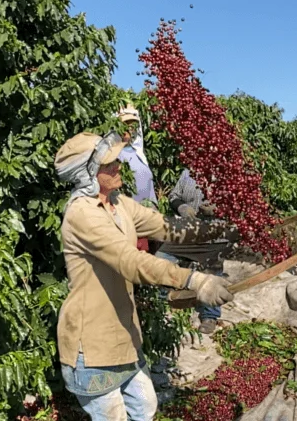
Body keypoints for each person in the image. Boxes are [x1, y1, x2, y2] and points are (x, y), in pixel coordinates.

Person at [54, 131, 234, 421]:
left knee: (146, 407)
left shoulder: (120, 204)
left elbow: (165, 226)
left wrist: (220, 230)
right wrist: (194, 280)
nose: (118, 166)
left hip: (124, 335)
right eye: (108, 164)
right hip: (92, 343)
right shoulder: (82, 214)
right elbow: (131, 262)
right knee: (113, 416)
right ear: (87, 173)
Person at [158, 168, 238, 334]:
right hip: (187, 232)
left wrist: (218, 209)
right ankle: (158, 303)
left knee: (212, 272)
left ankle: (209, 315)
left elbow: (240, 203)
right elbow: (174, 196)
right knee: (161, 258)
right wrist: (182, 207)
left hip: (215, 235)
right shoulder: (188, 172)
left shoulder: (229, 170)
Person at [117, 105, 157, 252]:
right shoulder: (115, 153)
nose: (130, 129)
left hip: (145, 213)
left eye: (132, 125)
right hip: (129, 217)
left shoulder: (137, 150)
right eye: (125, 125)